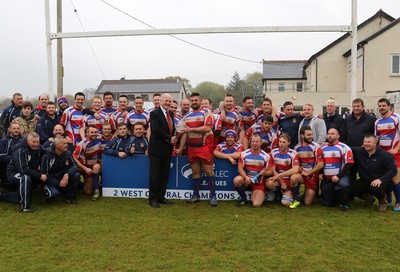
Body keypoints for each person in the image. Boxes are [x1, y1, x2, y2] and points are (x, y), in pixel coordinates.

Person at [178, 92, 217, 206]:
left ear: (200, 101)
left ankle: (213, 196)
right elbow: (184, 132)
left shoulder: (206, 112)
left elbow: (207, 127)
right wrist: (180, 146)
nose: (194, 102)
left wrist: (191, 130)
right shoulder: (187, 115)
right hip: (192, 147)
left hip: (205, 146)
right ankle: (196, 195)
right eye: (192, 100)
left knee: (209, 172)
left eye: (196, 100)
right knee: (195, 172)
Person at [350, 135, 396, 212]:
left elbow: (392, 170)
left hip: (381, 182)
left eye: (369, 142)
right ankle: (368, 198)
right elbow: (345, 148)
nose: (366, 144)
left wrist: (381, 179)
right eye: (365, 142)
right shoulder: (359, 151)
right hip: (365, 180)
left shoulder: (385, 155)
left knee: (375, 187)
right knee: (348, 186)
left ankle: (382, 201)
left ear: (375, 143)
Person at [4, 132, 45, 212]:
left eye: (37, 142)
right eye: (33, 142)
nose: (36, 144)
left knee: (18, 197)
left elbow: (47, 152)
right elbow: (23, 170)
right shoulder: (19, 150)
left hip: (29, 172)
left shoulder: (38, 148)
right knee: (25, 178)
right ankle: (25, 206)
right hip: (14, 173)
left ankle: (4, 194)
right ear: (27, 141)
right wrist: (39, 175)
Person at [148, 93, 176, 208]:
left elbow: (171, 129)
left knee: (164, 174)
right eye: (166, 101)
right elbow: (156, 129)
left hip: (167, 149)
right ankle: (153, 199)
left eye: (170, 101)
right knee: (155, 175)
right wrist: (170, 138)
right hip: (156, 149)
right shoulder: (154, 113)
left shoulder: (171, 114)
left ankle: (161, 197)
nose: (168, 103)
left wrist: (175, 136)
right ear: (160, 101)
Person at [233, 134, 273, 207]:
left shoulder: (266, 156)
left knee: (256, 205)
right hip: (247, 180)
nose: (254, 143)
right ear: (250, 142)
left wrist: (265, 173)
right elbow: (240, 168)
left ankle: (259, 194)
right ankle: (243, 199)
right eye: (253, 141)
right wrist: (245, 177)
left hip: (259, 183)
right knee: (237, 180)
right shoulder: (244, 154)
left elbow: (270, 171)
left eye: (257, 142)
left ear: (261, 143)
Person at [374, 98, 400, 211]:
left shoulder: (396, 118)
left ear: (389, 106)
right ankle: (388, 201)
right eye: (379, 106)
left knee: (394, 178)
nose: (381, 108)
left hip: (395, 154)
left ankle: (399, 203)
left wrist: (396, 149)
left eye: (384, 105)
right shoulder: (377, 122)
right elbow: (377, 138)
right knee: (385, 178)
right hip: (383, 154)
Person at [321, 128, 354, 211]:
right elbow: (320, 163)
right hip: (327, 178)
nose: (330, 135)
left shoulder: (344, 147)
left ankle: (344, 204)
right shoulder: (323, 148)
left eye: (332, 133)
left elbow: (349, 163)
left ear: (338, 136)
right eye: (328, 133)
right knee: (329, 203)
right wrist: (320, 173)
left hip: (341, 176)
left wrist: (339, 176)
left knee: (343, 185)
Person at [41, 136, 80, 204]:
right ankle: (47, 193)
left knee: (76, 175)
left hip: (63, 177)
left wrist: (67, 174)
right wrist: (58, 183)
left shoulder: (67, 153)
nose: (67, 145)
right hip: (51, 179)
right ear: (57, 145)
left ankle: (70, 197)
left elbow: (74, 166)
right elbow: (44, 174)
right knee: (53, 194)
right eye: (64, 144)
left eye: (66, 143)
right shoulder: (47, 156)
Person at [267, 133, 302, 208]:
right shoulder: (273, 152)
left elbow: (295, 169)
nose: (281, 144)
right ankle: (280, 194)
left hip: (289, 180)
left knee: (286, 203)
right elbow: (273, 169)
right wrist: (281, 181)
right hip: (279, 180)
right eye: (280, 142)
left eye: (284, 142)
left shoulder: (293, 153)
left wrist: (279, 175)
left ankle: (296, 196)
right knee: (269, 183)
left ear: (289, 143)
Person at [294, 126, 324, 205]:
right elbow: (295, 163)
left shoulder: (316, 147)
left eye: (311, 134)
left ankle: (306, 194)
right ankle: (295, 197)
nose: (311, 137)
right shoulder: (297, 148)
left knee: (307, 203)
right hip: (301, 174)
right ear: (302, 136)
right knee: (294, 178)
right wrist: (300, 169)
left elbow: (320, 164)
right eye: (308, 135)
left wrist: (308, 173)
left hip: (312, 176)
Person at [72, 126, 102, 200]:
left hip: (94, 166)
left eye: (95, 132)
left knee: (88, 191)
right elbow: (73, 157)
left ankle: (96, 189)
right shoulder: (83, 143)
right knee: (88, 191)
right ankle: (73, 188)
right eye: (91, 132)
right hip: (84, 167)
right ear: (87, 133)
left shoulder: (99, 140)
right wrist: (85, 168)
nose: (94, 134)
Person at [0, 122, 24, 188]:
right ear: (9, 129)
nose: (16, 130)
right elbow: (1, 156)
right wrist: (15, 159)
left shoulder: (23, 140)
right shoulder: (3, 141)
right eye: (14, 128)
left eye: (17, 128)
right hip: (8, 168)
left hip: (22, 166)